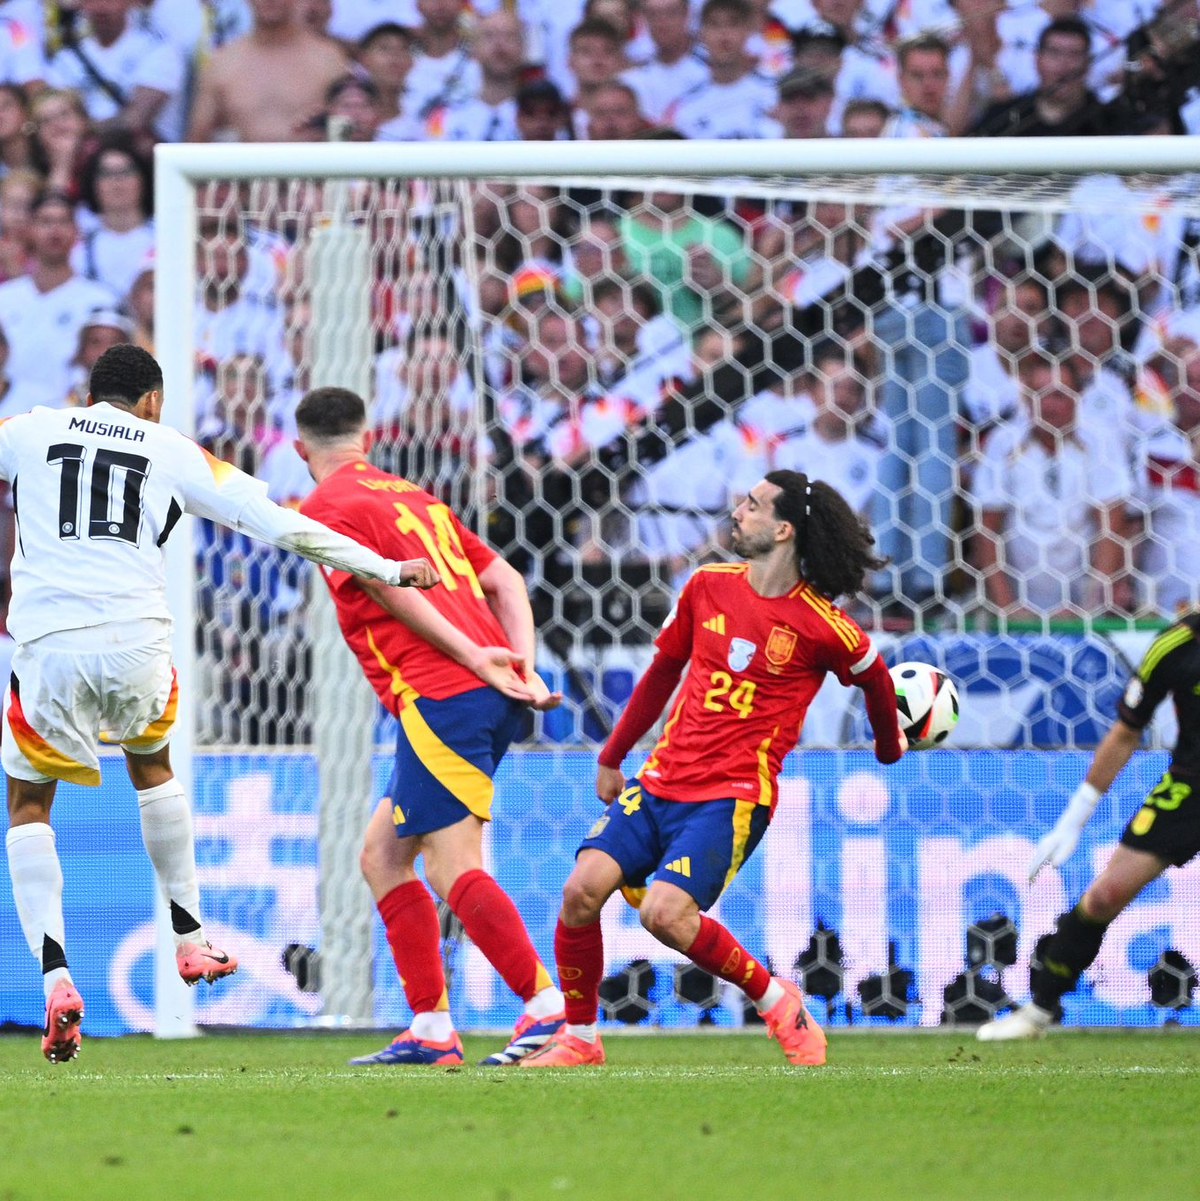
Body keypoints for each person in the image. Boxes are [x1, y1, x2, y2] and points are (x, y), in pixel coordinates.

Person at [1, 345, 435, 1063]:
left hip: (48, 645)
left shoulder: (30, 430)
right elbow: (279, 523)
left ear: (90, 393)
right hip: (138, 640)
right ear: (150, 400)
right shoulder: (170, 448)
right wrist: (387, 566)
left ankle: (54, 976)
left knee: (28, 805)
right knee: (153, 768)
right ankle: (191, 936)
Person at [522, 470, 906, 1068]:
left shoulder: (824, 626)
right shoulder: (707, 586)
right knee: (579, 892)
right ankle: (579, 1038)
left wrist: (890, 747)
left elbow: (876, 680)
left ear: (783, 530)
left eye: (752, 506)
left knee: (663, 916)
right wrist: (611, 753)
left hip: (732, 796)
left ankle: (780, 1002)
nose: (737, 512)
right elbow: (661, 674)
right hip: (659, 781)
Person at [294, 385, 569, 1068]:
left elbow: (388, 588)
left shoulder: (324, 508)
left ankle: (547, 1009)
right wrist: (520, 664)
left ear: (302, 450)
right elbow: (505, 578)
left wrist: (478, 657)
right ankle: (431, 1026)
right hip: (477, 691)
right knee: (382, 855)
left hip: (444, 692)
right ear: (369, 437)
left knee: (451, 866)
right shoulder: (414, 496)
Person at [978, 614, 1200, 1041]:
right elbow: (1125, 733)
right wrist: (1072, 822)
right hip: (1190, 786)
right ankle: (1038, 1012)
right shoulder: (1174, 646)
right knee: (1103, 897)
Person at [187, 0, 350, 143]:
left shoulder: (329, 59)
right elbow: (197, 142)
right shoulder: (222, 63)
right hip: (244, 174)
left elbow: (352, 130)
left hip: (314, 173)